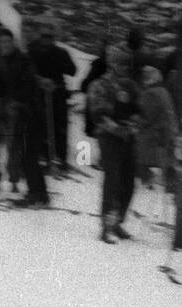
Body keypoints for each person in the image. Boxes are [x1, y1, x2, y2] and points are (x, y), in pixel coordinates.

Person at [0, 27, 48, 206]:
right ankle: (38, 193)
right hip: (14, 111)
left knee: (28, 154)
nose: (4, 45)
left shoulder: (23, 59)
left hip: (29, 111)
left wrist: (17, 101)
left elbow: (29, 84)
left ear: (12, 42)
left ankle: (37, 193)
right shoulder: (0, 60)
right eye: (1, 42)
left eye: (7, 41)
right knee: (24, 153)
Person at [89, 45, 142, 242]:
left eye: (126, 64)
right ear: (112, 64)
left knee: (128, 181)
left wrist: (133, 125)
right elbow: (97, 113)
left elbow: (139, 109)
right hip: (109, 136)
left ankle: (118, 220)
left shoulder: (131, 86)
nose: (124, 67)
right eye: (120, 63)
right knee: (113, 180)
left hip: (128, 137)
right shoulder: (100, 84)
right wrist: (115, 128)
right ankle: (107, 225)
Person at [27, 15, 76, 172]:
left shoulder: (61, 52)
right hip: (38, 92)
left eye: (50, 36)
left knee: (59, 126)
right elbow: (27, 71)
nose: (47, 40)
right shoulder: (32, 49)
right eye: (44, 36)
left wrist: (61, 63)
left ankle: (59, 158)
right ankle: (44, 156)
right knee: (41, 125)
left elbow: (72, 70)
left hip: (58, 92)